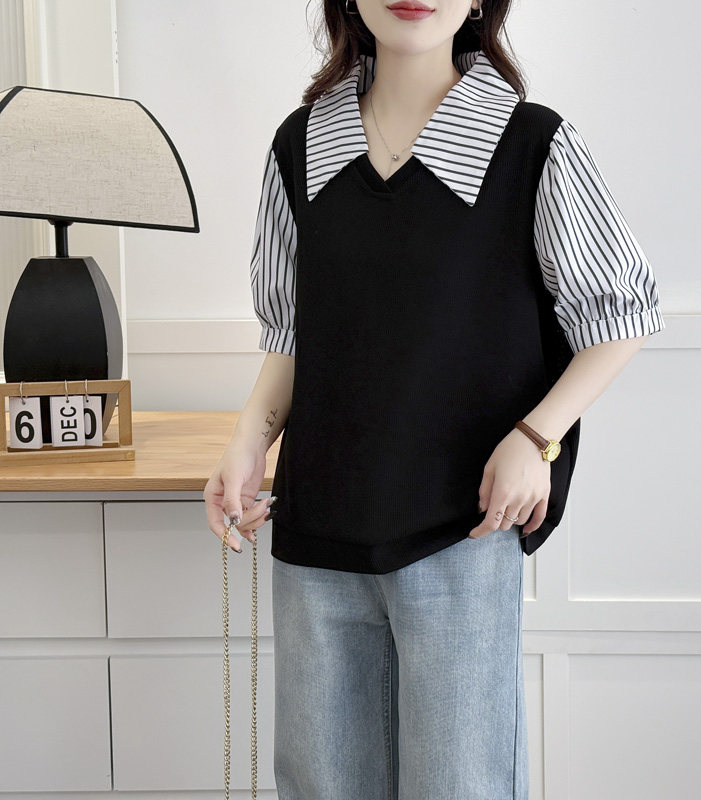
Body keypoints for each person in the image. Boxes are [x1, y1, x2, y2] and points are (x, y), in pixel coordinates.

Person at [204, 0, 666, 797]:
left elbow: (621, 313)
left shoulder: (532, 145)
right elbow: (291, 332)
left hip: (461, 533)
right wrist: (248, 442)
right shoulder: (300, 145)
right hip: (317, 534)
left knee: (462, 785)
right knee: (320, 785)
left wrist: (536, 438)